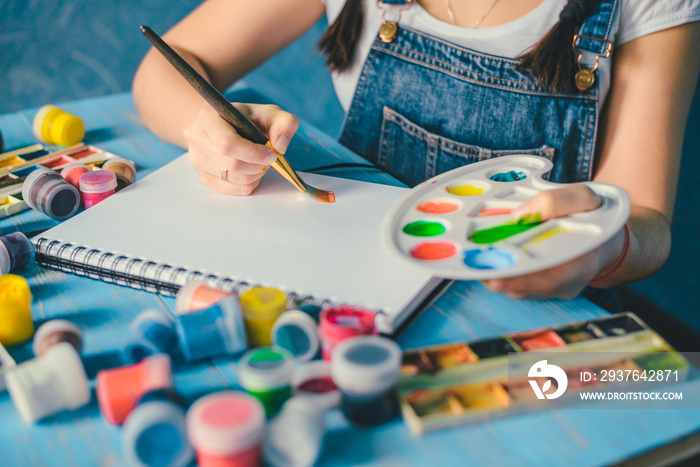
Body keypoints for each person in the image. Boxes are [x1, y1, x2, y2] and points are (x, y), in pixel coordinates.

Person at [132, 0, 700, 304]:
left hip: (535, 314)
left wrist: (602, 248)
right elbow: (169, 61)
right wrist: (205, 127)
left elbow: (648, 221)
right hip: (353, 285)